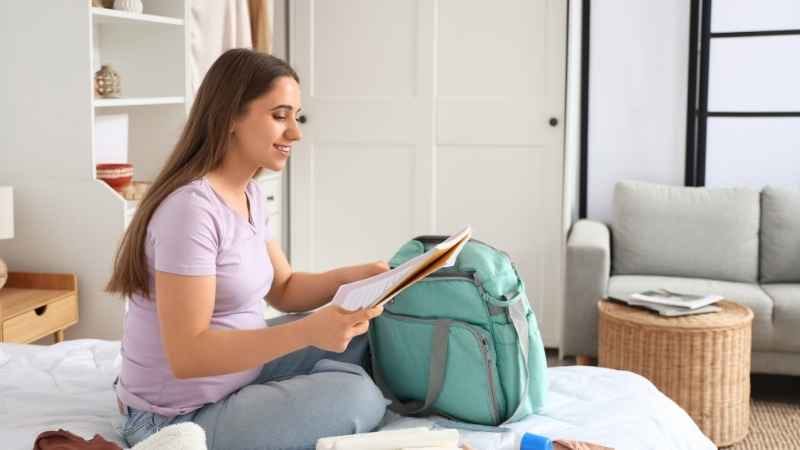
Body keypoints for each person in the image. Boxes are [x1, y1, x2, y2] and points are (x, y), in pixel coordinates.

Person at [106, 48, 390, 450]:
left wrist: (363, 276)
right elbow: (189, 355)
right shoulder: (190, 210)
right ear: (230, 118)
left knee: (368, 337)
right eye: (279, 116)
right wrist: (310, 330)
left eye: (296, 116)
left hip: (239, 374)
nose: (296, 132)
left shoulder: (249, 193)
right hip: (175, 418)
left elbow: (285, 288)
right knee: (357, 396)